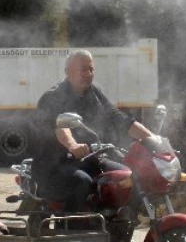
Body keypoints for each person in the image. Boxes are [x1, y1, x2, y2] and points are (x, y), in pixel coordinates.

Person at [33, 49, 155, 216]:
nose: (88, 73)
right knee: (82, 181)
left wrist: (153, 139)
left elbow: (119, 118)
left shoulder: (94, 93)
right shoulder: (52, 97)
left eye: (91, 69)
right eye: (83, 69)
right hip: (54, 166)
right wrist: (73, 145)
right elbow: (61, 127)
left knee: (128, 177)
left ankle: (119, 227)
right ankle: (68, 232)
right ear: (68, 71)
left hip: (89, 160)